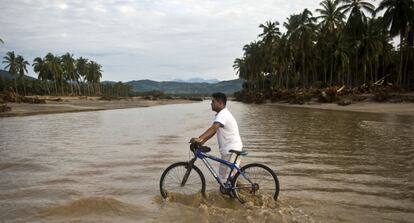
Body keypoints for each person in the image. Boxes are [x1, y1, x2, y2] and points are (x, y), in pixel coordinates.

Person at [190, 92, 243, 183]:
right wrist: (202, 142)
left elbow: (213, 129)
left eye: (213, 101)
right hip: (231, 149)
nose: (211, 103)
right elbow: (213, 132)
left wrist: (199, 139)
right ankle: (241, 194)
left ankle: (241, 195)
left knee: (227, 180)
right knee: (230, 179)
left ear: (220, 103)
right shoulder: (222, 114)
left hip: (231, 150)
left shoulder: (223, 114)